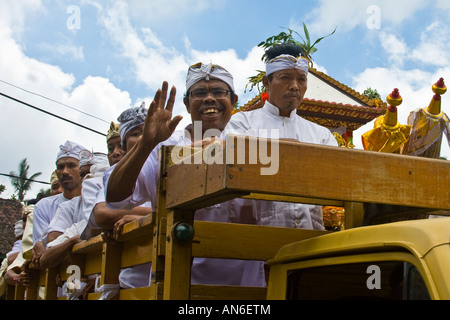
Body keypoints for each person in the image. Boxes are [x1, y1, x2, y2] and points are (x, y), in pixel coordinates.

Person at [105, 63, 265, 287]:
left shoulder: (253, 146)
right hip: (177, 282)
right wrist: (145, 145)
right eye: (200, 93)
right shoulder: (164, 146)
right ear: (187, 104)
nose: (209, 98)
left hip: (244, 287)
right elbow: (115, 197)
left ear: (234, 101)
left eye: (219, 92)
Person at [225, 43, 338, 230]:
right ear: (267, 82)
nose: (294, 87)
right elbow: (236, 162)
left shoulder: (321, 135)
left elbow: (335, 175)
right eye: (285, 78)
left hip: (310, 239)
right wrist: (293, 153)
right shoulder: (241, 123)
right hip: (255, 238)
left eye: (301, 79)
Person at [31, 140, 86, 268]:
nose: (65, 171)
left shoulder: (92, 202)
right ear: (56, 172)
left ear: (82, 170)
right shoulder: (43, 206)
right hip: (56, 278)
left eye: (71, 165)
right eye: (61, 167)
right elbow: (43, 250)